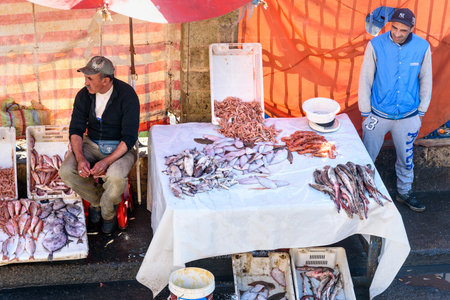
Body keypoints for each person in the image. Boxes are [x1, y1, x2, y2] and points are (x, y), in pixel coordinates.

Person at [358, 8, 432, 212]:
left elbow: (426, 79)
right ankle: (363, 193)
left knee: (406, 159)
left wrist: (420, 113)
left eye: (403, 30)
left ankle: (404, 192)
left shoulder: (422, 47)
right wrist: (366, 113)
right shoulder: (375, 45)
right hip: (377, 114)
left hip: (408, 116)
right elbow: (365, 78)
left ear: (412, 29)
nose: (397, 34)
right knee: (366, 157)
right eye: (394, 28)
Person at [59, 56, 140, 233]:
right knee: (66, 171)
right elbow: (76, 130)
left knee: (116, 177)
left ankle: (107, 212)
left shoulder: (127, 96)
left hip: (120, 148)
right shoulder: (83, 95)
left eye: (90, 78)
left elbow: (129, 138)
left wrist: (106, 162)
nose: (85, 82)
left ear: (106, 80)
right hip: (91, 144)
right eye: (85, 77)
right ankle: (97, 201)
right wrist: (80, 159)